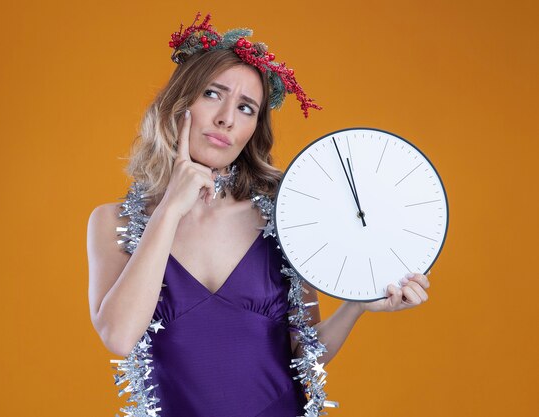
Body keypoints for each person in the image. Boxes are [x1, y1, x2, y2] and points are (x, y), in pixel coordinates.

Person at [87, 13, 430, 417]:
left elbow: (302, 353)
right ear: (180, 102)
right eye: (213, 94)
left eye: (246, 107)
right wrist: (169, 209)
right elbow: (119, 336)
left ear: (254, 129)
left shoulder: (282, 218)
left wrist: (357, 304)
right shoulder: (115, 223)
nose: (226, 119)